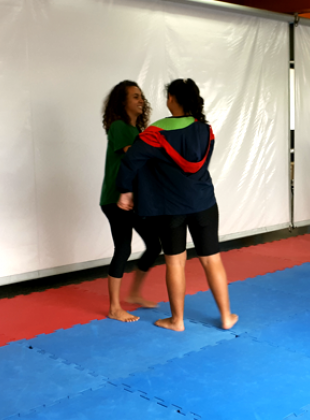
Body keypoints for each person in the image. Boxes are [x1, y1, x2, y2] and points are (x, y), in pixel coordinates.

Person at [117, 78, 238, 332]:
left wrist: (126, 192)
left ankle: (177, 320)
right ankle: (226, 316)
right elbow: (198, 165)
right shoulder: (206, 130)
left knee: (175, 262)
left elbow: (131, 160)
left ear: (171, 98)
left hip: (170, 207)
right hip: (203, 203)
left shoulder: (155, 132)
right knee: (212, 259)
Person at [100, 80, 162, 323]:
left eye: (141, 96)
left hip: (134, 200)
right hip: (115, 199)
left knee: (154, 245)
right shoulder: (118, 127)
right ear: (122, 101)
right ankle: (114, 308)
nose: (140, 100)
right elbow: (135, 157)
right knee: (123, 248)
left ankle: (135, 293)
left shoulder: (138, 132)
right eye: (135, 96)